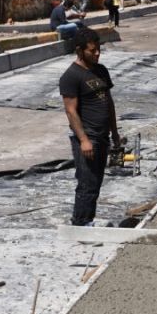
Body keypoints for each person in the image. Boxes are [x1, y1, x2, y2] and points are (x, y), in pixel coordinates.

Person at [59, 27, 121, 226]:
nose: (97, 54)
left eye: (98, 50)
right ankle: (81, 224)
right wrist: (84, 140)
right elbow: (71, 111)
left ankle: (88, 221)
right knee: (87, 183)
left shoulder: (101, 70)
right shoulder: (71, 76)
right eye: (92, 51)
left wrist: (115, 133)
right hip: (88, 137)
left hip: (102, 136)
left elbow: (108, 103)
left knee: (96, 182)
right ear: (79, 50)